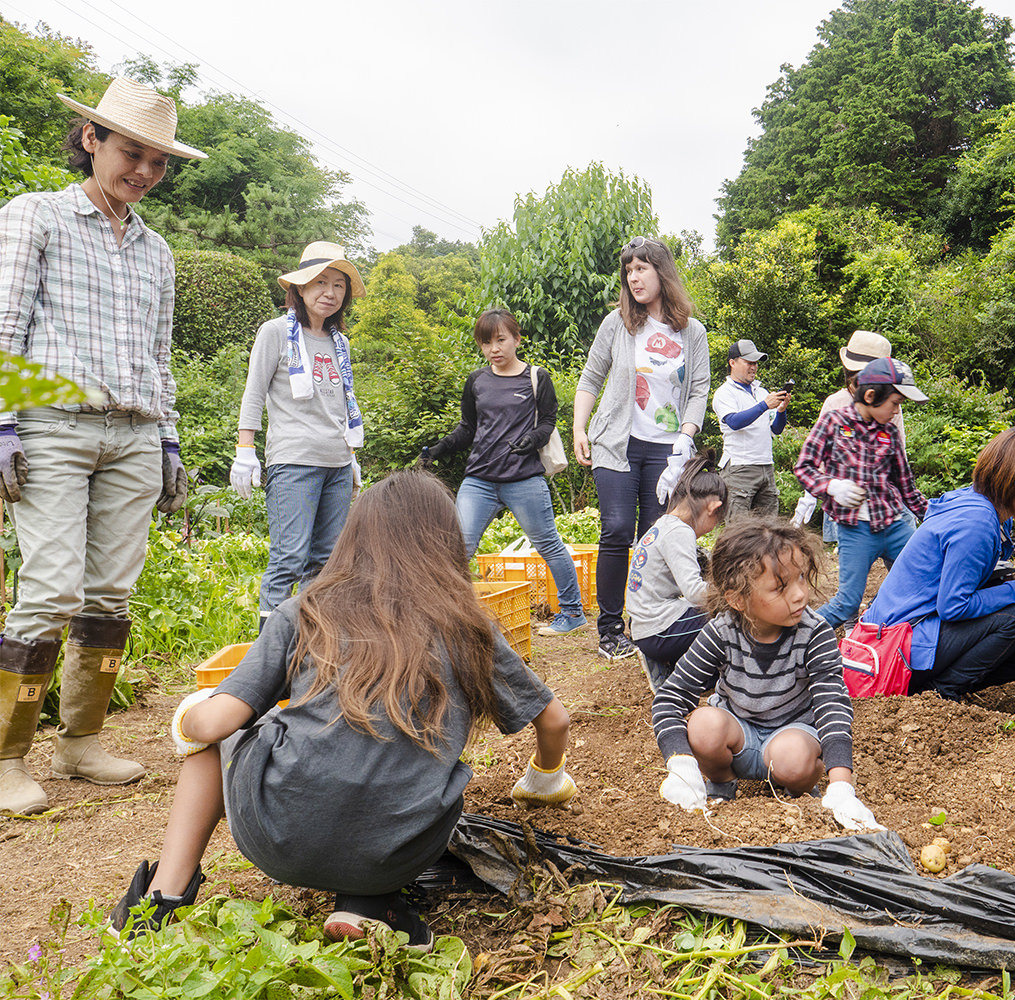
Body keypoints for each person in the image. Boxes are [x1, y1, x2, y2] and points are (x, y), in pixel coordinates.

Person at [108, 471, 575, 945]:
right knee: (420, 774)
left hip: (275, 837)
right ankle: (373, 906)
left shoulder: (306, 610)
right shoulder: (469, 627)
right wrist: (543, 776)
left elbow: (213, 723)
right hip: (397, 849)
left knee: (223, 737)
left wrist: (187, 712)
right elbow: (554, 720)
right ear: (447, 542)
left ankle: (159, 901)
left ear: (353, 539)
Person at [0, 78, 203, 816]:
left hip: (137, 434)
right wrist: (3, 423)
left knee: (110, 593)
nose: (145, 171)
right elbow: (5, 326)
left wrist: (172, 440)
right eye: (131, 152)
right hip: (53, 424)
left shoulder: (158, 252)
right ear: (92, 139)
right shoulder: (37, 218)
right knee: (50, 587)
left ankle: (80, 741)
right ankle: (5, 756)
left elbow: (160, 356)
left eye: (158, 161)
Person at [651, 517, 881, 830]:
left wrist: (842, 786)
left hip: (791, 738)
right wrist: (681, 764)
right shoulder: (721, 633)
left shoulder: (815, 633)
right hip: (738, 739)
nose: (800, 594)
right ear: (737, 599)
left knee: (793, 756)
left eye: (801, 578)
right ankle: (721, 783)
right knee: (703, 725)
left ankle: (801, 792)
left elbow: (832, 706)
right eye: (780, 587)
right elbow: (672, 696)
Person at [574, 237, 710, 661]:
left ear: (661, 273)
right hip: (617, 442)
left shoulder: (692, 331)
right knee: (616, 530)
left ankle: (650, 622)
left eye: (642, 268)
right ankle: (611, 629)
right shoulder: (617, 323)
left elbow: (699, 389)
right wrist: (579, 428)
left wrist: (686, 438)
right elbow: (591, 377)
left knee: (656, 535)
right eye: (628, 270)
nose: (634, 277)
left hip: (668, 450)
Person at [862, 428, 1015, 700]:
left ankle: (935, 686)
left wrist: (1011, 578)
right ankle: (939, 695)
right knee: (1014, 620)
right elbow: (953, 607)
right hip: (894, 646)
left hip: (898, 634)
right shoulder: (977, 522)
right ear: (1007, 477)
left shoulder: (981, 505)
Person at [423, 309, 586, 636]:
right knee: (460, 547)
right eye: (486, 342)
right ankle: (446, 615)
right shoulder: (477, 381)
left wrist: (532, 440)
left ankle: (572, 613)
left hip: (524, 479)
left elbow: (548, 422)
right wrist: (440, 448)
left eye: (500, 340)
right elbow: (468, 428)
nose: (493, 348)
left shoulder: (537, 378)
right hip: (480, 479)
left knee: (548, 545)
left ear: (516, 339)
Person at [234, 242, 366, 633]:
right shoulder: (276, 332)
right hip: (294, 460)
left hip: (337, 464)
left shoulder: (339, 344)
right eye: (321, 282)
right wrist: (245, 449)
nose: (330, 292)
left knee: (326, 562)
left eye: (339, 285)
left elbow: (342, 404)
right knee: (289, 558)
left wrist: (352, 456)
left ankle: (310, 647)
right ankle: (270, 656)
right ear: (301, 288)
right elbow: (254, 392)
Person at [793, 358, 929, 628]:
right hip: (855, 530)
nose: (896, 411)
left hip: (894, 525)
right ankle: (796, 639)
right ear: (870, 395)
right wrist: (831, 486)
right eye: (895, 403)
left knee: (923, 581)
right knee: (847, 603)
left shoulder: (889, 432)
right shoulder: (834, 423)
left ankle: (880, 627)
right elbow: (804, 467)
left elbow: (907, 488)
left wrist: (939, 514)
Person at [628, 452, 727, 690]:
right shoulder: (680, 532)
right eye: (717, 521)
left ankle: (672, 666)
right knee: (730, 620)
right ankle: (671, 667)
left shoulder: (663, 525)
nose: (712, 529)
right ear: (713, 508)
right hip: (658, 630)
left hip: (645, 623)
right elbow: (694, 592)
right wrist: (733, 596)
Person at [793, 330, 900, 535]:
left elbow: (897, 452)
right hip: (844, 497)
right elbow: (816, 456)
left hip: (885, 499)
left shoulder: (891, 404)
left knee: (904, 561)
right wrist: (812, 494)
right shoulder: (835, 403)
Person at [713, 339, 789, 517]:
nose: (753, 367)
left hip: (766, 466)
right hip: (740, 467)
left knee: (768, 530)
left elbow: (776, 430)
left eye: (755, 363)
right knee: (738, 531)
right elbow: (734, 422)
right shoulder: (725, 392)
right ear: (732, 362)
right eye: (748, 362)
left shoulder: (761, 392)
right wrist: (764, 405)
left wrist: (781, 410)